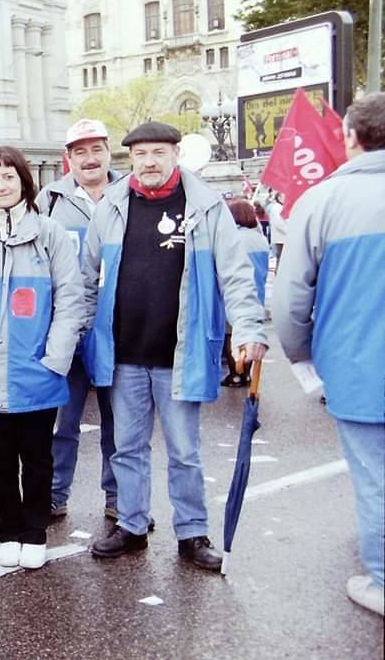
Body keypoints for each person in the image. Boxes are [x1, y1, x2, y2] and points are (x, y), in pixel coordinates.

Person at [81, 121, 267, 572]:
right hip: (123, 354)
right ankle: (131, 524)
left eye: (158, 153)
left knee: (184, 450)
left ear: (175, 154)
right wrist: (84, 332)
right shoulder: (111, 204)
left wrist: (249, 329)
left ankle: (191, 531)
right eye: (140, 154)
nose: (148, 161)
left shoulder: (204, 206)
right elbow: (87, 280)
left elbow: (236, 275)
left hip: (178, 355)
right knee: (126, 448)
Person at [273, 92, 385, 617]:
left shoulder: (320, 202)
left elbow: (291, 300)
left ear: (350, 137)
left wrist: (302, 358)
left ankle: (384, 582)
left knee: (376, 480)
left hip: (360, 370)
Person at [0, 146, 84, 569]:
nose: (1, 185)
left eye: (8, 176)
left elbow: (70, 300)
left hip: (37, 369)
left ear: (24, 181)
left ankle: (34, 531)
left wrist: (55, 358)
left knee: (38, 457)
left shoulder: (51, 235)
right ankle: (7, 531)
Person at [39, 118, 121, 522]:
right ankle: (55, 493)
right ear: (66, 159)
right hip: (65, 329)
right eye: (80, 151)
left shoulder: (130, 194)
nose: (90, 159)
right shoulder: (48, 201)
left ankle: (118, 495)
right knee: (62, 422)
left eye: (96, 149)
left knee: (119, 422)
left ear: (109, 152)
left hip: (117, 327)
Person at [220, 198, 269, 388]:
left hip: (237, 292)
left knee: (231, 334)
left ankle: (236, 374)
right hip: (258, 291)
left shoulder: (234, 239)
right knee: (250, 335)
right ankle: (246, 374)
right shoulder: (260, 239)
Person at [267, 192, 287, 263]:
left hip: (282, 237)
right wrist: (289, 231)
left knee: (283, 258)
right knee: (282, 258)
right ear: (279, 197)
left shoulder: (280, 207)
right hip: (280, 238)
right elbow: (278, 223)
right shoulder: (277, 208)